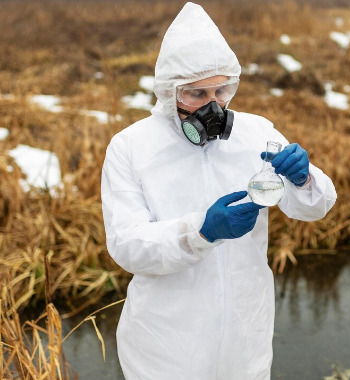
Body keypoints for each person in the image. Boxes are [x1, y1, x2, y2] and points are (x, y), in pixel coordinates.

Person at [101, 2, 337, 379]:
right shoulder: (132, 147)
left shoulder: (255, 132)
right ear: (168, 92)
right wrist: (200, 232)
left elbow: (312, 208)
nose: (213, 106)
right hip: (166, 346)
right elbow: (127, 246)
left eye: (222, 90)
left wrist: (305, 179)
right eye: (195, 94)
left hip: (246, 338)